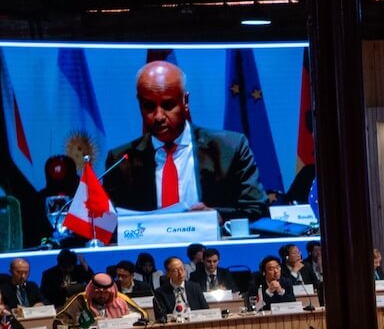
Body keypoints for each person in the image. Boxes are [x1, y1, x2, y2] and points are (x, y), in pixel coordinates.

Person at [102, 61, 268, 221]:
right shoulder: (121, 161)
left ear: (185, 102)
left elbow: (257, 209)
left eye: (168, 105)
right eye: (149, 106)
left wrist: (217, 216)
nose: (158, 116)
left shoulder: (230, 148)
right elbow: (107, 223)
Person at [51, 272, 143, 329]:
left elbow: (142, 315)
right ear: (91, 290)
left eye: (105, 293)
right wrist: (88, 323)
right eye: (98, 292)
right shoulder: (80, 300)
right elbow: (58, 321)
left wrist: (119, 320)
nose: (102, 296)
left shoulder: (120, 299)